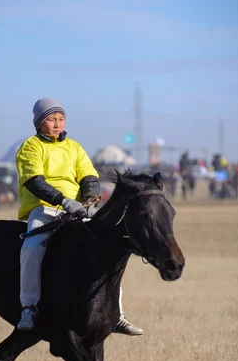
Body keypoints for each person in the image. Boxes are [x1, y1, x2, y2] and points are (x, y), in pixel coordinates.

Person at [16, 97, 143, 336]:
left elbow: (89, 175)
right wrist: (63, 201)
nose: (57, 124)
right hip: (44, 209)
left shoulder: (74, 147)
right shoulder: (31, 147)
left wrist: (91, 197)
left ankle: (117, 315)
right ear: (39, 122)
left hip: (78, 209)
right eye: (51, 119)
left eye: (60, 119)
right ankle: (29, 308)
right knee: (32, 248)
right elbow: (34, 181)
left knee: (108, 250)